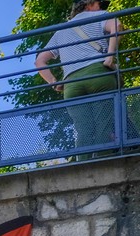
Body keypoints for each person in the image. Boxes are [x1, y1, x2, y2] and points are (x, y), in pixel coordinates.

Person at [35, 0, 122, 160]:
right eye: (99, 4)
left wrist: (54, 82)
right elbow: (116, 26)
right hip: (98, 74)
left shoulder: (60, 31)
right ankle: (105, 164)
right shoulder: (100, 16)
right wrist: (110, 56)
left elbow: (39, 61)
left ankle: (83, 168)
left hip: (71, 84)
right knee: (104, 124)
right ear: (88, 4)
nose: (102, 7)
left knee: (83, 129)